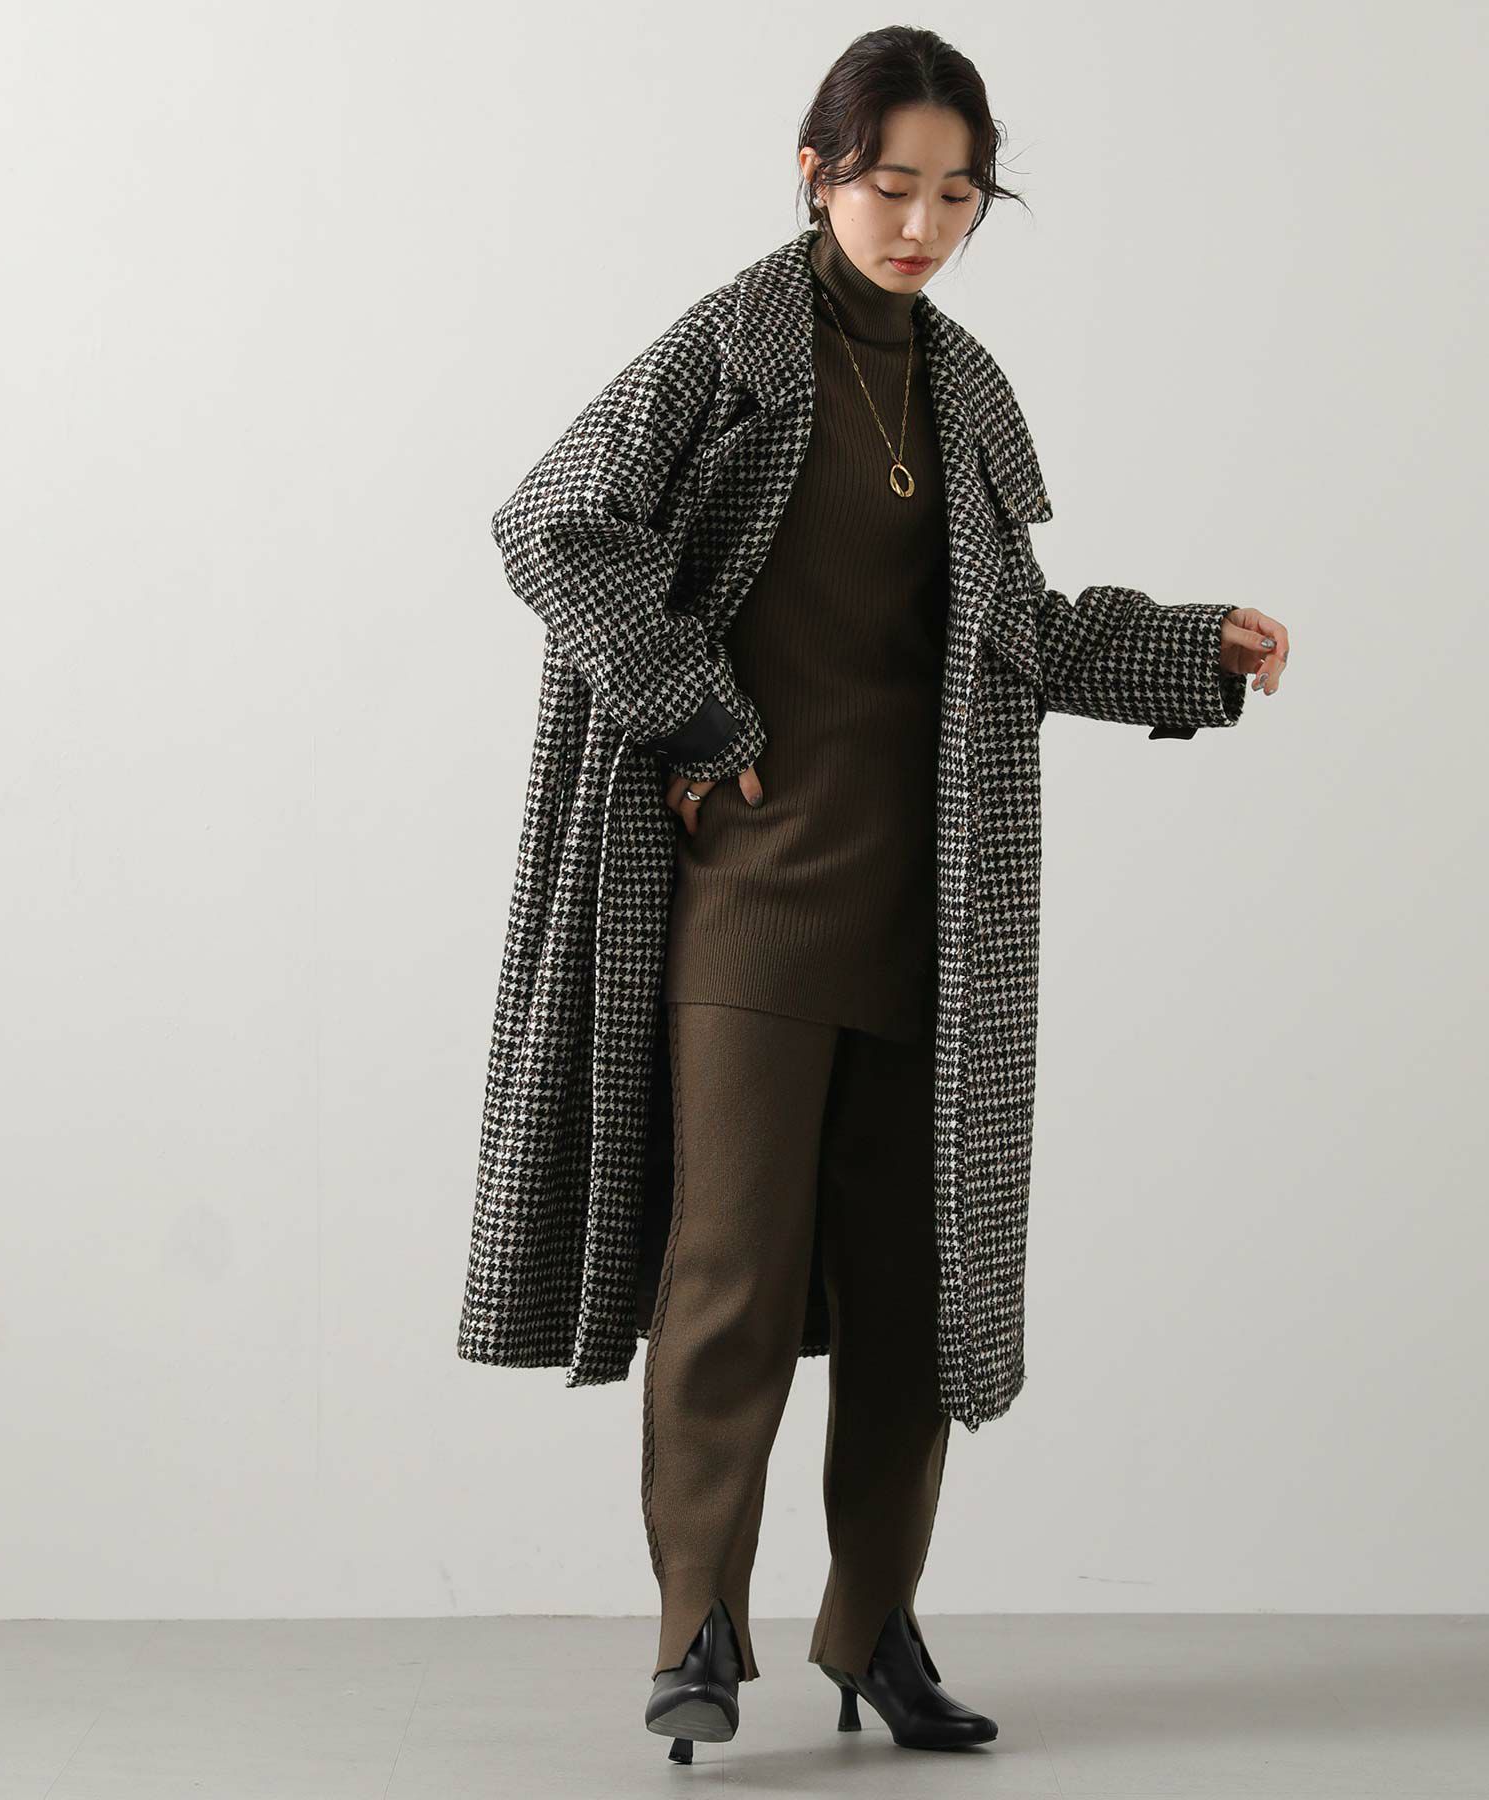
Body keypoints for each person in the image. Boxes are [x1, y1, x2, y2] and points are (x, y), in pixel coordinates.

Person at [458, 24, 1287, 1764]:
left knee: (916, 1292)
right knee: (732, 1274)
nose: (920, 224)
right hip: (749, 901)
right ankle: (699, 1627)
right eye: (890, 185)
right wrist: (693, 709)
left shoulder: (963, 389)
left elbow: (1020, 636)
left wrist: (1187, 648)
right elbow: (551, 523)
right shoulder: (732, 349)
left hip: (934, 909)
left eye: (956, 195)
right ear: (817, 174)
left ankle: (875, 1627)